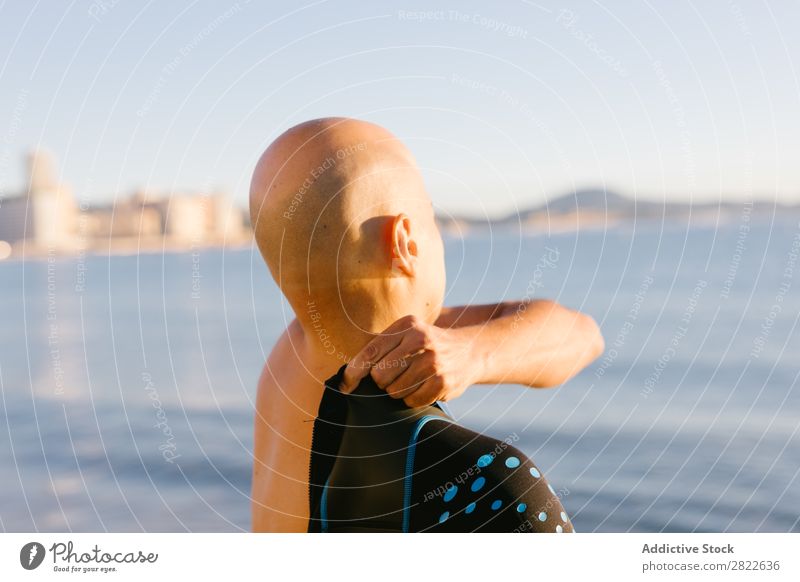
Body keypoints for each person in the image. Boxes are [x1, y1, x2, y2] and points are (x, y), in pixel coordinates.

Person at [249, 117, 604, 532]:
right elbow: (588, 338)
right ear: (406, 242)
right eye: (432, 219)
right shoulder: (492, 488)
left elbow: (581, 335)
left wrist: (473, 352)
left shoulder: (289, 357)